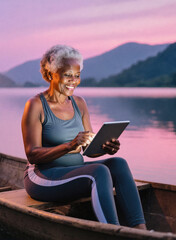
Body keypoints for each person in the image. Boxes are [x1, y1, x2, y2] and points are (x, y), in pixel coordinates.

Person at [21, 45, 146, 229]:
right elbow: (32, 155)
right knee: (98, 172)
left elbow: (88, 150)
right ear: (51, 75)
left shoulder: (79, 103)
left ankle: (142, 232)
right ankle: (114, 232)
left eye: (77, 75)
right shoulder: (35, 105)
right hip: (42, 177)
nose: (74, 81)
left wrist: (104, 148)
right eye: (67, 75)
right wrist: (70, 145)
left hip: (73, 172)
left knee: (118, 164)